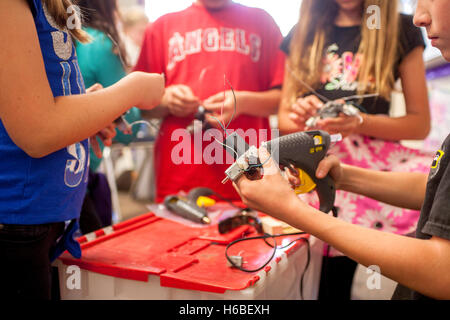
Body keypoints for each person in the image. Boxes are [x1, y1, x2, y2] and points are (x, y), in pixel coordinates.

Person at [233, 0, 450, 300]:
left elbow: (419, 124)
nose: (421, 17)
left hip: (369, 170)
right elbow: (285, 120)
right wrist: (300, 114)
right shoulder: (302, 33)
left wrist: (360, 122)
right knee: (317, 277)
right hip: (320, 163)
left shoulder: (399, 29)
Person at [0, 0, 164, 299]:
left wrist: (85, 115)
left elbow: (28, 102)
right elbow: (36, 131)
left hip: (44, 217)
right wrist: (135, 88)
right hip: (17, 224)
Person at [134, 0, 285, 203]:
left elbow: (284, 101)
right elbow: (139, 105)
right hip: (181, 175)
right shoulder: (162, 27)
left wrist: (243, 102)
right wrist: (167, 100)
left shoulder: (262, 22)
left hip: (249, 172)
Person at [75, 0, 143, 233]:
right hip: (77, 177)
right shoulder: (99, 43)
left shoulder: (60, 41)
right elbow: (129, 129)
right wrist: (139, 91)